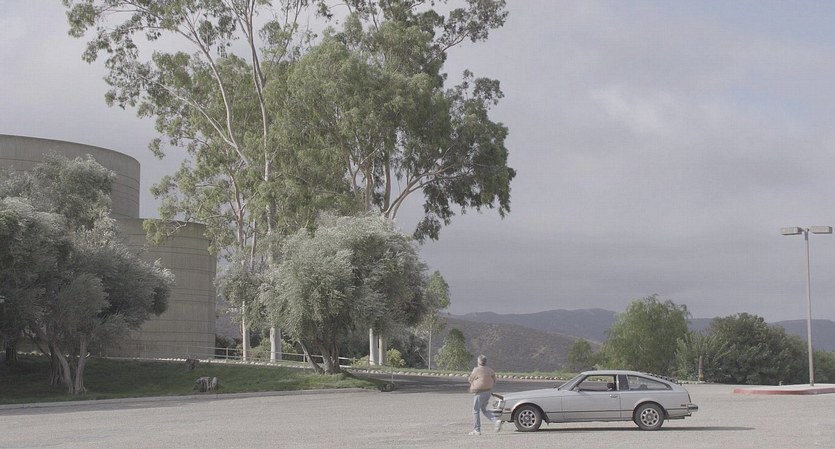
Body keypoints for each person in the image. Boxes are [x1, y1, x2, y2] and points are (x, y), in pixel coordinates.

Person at [467, 354, 502, 435]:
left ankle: (477, 430)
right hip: (488, 392)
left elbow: (470, 379)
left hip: (480, 392)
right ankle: (496, 421)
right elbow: (495, 380)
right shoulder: (490, 370)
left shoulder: (476, 370)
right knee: (484, 409)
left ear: (478, 361)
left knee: (475, 410)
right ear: (486, 362)